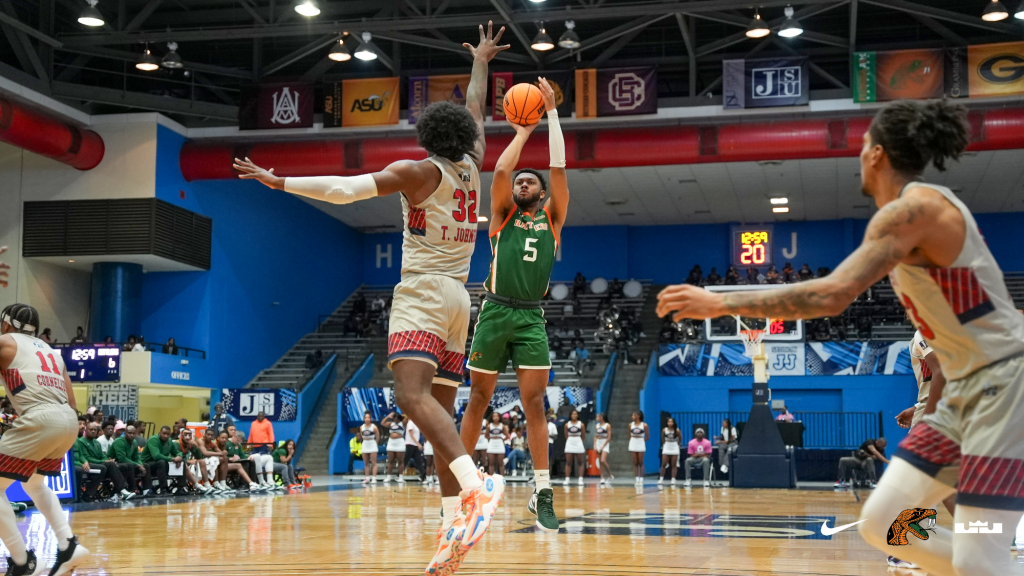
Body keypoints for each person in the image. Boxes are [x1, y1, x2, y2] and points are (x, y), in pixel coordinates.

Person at [656, 99, 1024, 576]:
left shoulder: (914, 209)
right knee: (884, 524)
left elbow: (832, 295)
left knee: (977, 556)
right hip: (962, 394)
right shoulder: (914, 211)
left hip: (1000, 385)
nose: (859, 157)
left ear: (876, 153)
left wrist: (723, 303)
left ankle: (989, 559)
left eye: (862, 147)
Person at [234, 22, 508, 576]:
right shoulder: (473, 163)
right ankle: (452, 524)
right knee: (437, 417)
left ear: (427, 133)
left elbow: (344, 190)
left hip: (423, 291)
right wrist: (480, 62)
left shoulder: (417, 170)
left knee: (409, 397)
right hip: (460, 298)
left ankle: (475, 486)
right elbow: (477, 109)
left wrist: (281, 182)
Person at [460, 77, 566, 533]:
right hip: (494, 310)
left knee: (535, 403)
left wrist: (552, 114)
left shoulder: (553, 218)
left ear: (541, 193)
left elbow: (558, 167)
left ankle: (542, 492)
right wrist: (523, 132)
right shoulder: (502, 217)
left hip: (530, 317)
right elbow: (501, 172)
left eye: (530, 181)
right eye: (521, 181)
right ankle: (462, 488)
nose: (522, 183)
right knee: (478, 399)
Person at [0, 304, 90, 576]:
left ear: (6, 324)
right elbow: (72, 402)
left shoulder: (5, 342)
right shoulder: (53, 353)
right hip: (68, 421)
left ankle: (22, 562)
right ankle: (68, 544)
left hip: (41, 419)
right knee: (35, 484)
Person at [896, 330, 946, 430]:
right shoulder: (957, 334)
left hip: (937, 406)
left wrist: (926, 415)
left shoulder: (924, 332)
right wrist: (917, 407)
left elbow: (939, 372)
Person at [74, 422, 136, 501]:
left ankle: (115, 493)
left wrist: (108, 460)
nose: (93, 431)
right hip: (91, 464)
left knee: (124, 466)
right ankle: (122, 491)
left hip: (100, 464)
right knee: (109, 465)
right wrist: (105, 461)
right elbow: (87, 458)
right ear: (86, 431)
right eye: (91, 429)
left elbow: (103, 456)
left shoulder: (96, 442)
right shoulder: (81, 441)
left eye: (95, 430)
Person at [109, 424, 150, 496]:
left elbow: (136, 457)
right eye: (129, 433)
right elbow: (122, 458)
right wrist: (138, 465)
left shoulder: (134, 442)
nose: (131, 435)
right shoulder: (119, 441)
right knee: (130, 465)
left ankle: (146, 490)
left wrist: (141, 464)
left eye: (133, 433)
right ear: (125, 433)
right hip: (116, 464)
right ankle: (133, 489)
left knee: (145, 465)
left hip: (128, 464)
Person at [562, 409, 586, 486]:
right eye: (572, 414)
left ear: (578, 415)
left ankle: (580, 479)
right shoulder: (567, 424)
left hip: (578, 441)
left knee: (580, 462)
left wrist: (579, 441)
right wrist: (570, 440)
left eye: (575, 414)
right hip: (570, 442)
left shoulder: (581, 424)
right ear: (570, 415)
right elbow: (566, 435)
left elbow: (583, 435)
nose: (574, 415)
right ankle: (567, 479)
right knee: (568, 462)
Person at [381, 412, 407, 484]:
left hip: (400, 443)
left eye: (397, 418)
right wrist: (388, 416)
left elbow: (408, 417)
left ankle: (401, 477)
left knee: (400, 461)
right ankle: (388, 477)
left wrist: (401, 415)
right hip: (391, 443)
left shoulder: (403, 423)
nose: (396, 420)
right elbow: (382, 423)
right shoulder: (391, 424)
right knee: (391, 461)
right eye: (395, 418)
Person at [659, 417, 681, 487]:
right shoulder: (664, 430)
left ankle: (673, 479)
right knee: (664, 464)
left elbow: (680, 438)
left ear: (674, 423)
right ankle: (661, 479)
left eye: (671, 422)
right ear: (667, 423)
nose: (670, 423)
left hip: (674, 446)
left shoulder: (677, 430)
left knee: (674, 464)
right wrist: (665, 443)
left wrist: (677, 444)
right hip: (667, 446)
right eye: (669, 422)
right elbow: (662, 437)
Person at [484, 411, 508, 477]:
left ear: (499, 417)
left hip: (500, 444)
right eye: (494, 416)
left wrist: (501, 439)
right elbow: (486, 436)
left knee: (501, 463)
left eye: (497, 416)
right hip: (491, 443)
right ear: (492, 417)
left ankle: (502, 478)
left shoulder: (502, 426)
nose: (496, 417)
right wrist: (491, 438)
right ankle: (491, 478)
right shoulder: (489, 426)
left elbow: (507, 436)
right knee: (491, 463)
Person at [358, 412, 379, 484]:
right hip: (365, 444)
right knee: (366, 463)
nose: (367, 419)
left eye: (368, 417)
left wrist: (375, 443)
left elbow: (378, 437)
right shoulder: (361, 427)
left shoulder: (374, 427)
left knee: (374, 462)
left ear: (370, 419)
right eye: (366, 417)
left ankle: (374, 478)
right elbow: (362, 435)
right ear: (364, 419)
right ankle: (367, 478)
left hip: (372, 444)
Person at [628, 411, 649, 485]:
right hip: (633, 443)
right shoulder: (630, 425)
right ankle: (637, 479)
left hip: (640, 442)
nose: (632, 417)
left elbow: (647, 436)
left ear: (638, 416)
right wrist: (633, 440)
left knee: (640, 462)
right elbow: (629, 435)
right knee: (635, 462)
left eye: (634, 415)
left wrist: (641, 441)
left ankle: (641, 479)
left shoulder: (644, 425)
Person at [404, 417, 426, 481]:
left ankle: (423, 474)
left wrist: (417, 444)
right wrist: (418, 443)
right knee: (405, 460)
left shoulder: (416, 424)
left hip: (415, 445)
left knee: (418, 460)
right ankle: (398, 474)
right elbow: (411, 435)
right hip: (410, 444)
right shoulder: (410, 423)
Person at [593, 413, 612, 486]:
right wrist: (595, 445)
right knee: (600, 462)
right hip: (598, 442)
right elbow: (595, 436)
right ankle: (602, 478)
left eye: (598, 417)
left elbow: (609, 437)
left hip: (605, 443)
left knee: (603, 460)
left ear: (602, 417)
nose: (597, 418)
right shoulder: (596, 426)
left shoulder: (607, 425)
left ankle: (610, 474)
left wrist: (603, 446)